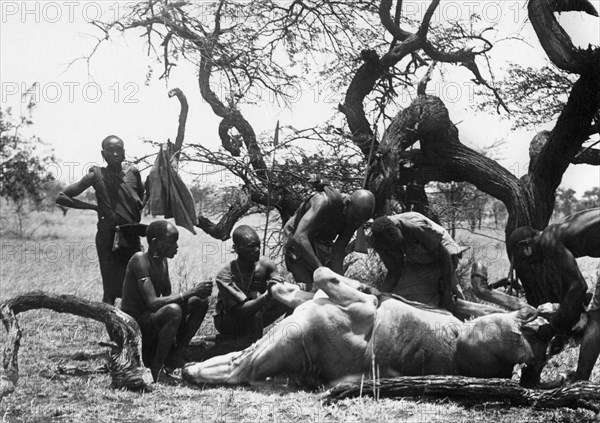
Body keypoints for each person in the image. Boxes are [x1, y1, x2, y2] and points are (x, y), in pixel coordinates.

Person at [509, 207, 600, 380]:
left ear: (526, 246)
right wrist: (561, 331)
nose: (530, 262)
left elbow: (578, 286)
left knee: (597, 318)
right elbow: (569, 290)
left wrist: (552, 328)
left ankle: (580, 380)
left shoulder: (548, 240)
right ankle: (580, 378)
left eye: (524, 257)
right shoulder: (554, 233)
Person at [56, 135, 144, 305]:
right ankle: (112, 326)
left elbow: (141, 195)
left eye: (119, 150)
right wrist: (94, 208)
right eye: (111, 150)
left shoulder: (133, 173)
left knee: (135, 283)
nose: (115, 154)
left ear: (124, 152)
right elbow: (62, 197)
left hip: (131, 234)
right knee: (110, 288)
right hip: (108, 236)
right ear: (103, 154)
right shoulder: (96, 175)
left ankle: (135, 326)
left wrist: (134, 214)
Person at [121, 220, 212, 382]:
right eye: (172, 242)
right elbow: (153, 302)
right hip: (136, 324)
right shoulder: (139, 260)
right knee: (174, 310)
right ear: (155, 243)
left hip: (151, 319)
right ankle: (156, 368)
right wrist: (191, 291)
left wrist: (197, 294)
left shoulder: (162, 261)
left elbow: (167, 297)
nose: (176, 247)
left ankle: (176, 355)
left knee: (199, 302)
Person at [282, 182, 376, 290]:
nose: (355, 224)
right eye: (353, 219)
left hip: (320, 241)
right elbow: (300, 237)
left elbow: (337, 252)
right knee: (308, 287)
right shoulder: (324, 201)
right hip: (296, 238)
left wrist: (342, 283)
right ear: (347, 203)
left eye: (359, 222)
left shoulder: (356, 216)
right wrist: (321, 270)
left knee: (330, 288)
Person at [370, 212, 464, 312]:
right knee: (398, 296)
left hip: (445, 258)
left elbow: (444, 255)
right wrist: (380, 296)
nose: (396, 248)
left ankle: (463, 317)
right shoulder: (379, 240)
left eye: (398, 242)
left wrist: (447, 291)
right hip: (419, 261)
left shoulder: (415, 226)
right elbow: (395, 271)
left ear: (398, 227)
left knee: (425, 301)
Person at [214, 225, 290, 342]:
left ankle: (286, 339)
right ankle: (254, 347)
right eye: (251, 247)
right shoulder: (225, 275)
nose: (257, 249)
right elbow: (240, 310)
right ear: (236, 248)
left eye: (258, 245)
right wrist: (266, 296)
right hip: (229, 322)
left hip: (256, 314)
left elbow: (279, 283)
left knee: (290, 297)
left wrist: (277, 285)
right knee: (256, 301)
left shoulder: (266, 264)